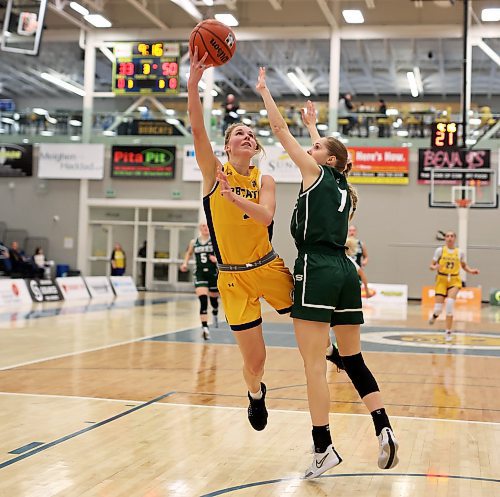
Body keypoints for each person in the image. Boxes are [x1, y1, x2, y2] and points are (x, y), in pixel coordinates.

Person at [257, 70, 399, 479]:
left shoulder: (313, 174)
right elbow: (328, 152)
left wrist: (266, 92)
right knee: (351, 358)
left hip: (316, 268)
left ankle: (323, 449)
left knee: (313, 366)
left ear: (328, 159)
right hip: (344, 272)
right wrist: (315, 128)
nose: (309, 147)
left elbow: (278, 129)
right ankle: (383, 425)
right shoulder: (342, 186)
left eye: (314, 146)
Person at [188, 49, 294, 432]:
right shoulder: (213, 173)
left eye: (251, 134)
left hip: (267, 266)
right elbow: (198, 129)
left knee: (310, 316)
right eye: (239, 134)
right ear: (228, 146)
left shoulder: (264, 179)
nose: (247, 136)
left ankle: (333, 352)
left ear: (256, 147)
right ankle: (255, 393)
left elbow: (266, 216)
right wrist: (193, 83)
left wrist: (235, 198)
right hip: (232, 278)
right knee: (256, 362)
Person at [326, 236, 372, 371]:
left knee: (339, 324)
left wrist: (367, 291)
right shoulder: (337, 261)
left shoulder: (350, 261)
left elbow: (362, 275)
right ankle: (333, 350)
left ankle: (337, 350)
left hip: (346, 295)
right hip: (338, 294)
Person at [428, 231, 479, 341]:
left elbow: (464, 266)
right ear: (445, 238)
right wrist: (434, 267)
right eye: (447, 236)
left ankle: (448, 332)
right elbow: (431, 265)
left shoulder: (459, 252)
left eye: (452, 236)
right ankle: (434, 316)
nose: (450, 238)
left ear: (455, 238)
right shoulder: (440, 251)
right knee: (438, 309)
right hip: (441, 280)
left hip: (454, 280)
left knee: (450, 305)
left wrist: (471, 271)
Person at [180, 223, 220, 340]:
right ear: (199, 228)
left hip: (213, 274)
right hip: (200, 274)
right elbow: (189, 253)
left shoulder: (215, 241)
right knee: (203, 300)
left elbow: (223, 255)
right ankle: (205, 328)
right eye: (203, 226)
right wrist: (185, 263)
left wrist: (216, 260)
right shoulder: (194, 242)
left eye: (207, 226)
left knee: (213, 299)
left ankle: (215, 312)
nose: (205, 228)